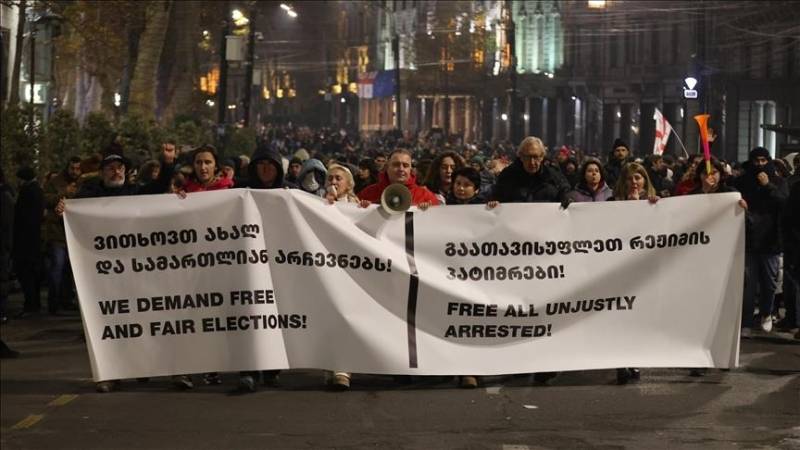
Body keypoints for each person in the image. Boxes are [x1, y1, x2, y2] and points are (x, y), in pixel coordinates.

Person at [60, 146, 177, 392]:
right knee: (109, 325)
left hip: (135, 272)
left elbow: (157, 189)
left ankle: (142, 368)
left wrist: (168, 164)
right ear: (102, 172)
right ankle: (110, 373)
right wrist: (64, 208)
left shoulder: (135, 192)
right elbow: (73, 211)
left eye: (120, 167)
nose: (116, 172)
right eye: (111, 168)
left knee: (140, 322)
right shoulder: (89, 195)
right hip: (103, 274)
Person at [610, 162, 659, 384]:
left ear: (645, 181)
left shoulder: (656, 203)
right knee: (621, 317)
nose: (634, 182)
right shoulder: (611, 203)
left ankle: (635, 358)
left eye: (638, 178)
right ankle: (621, 361)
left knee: (639, 317)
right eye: (630, 179)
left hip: (643, 270)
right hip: (618, 269)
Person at [734, 147, 789, 334]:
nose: (759, 165)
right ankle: (747, 322)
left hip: (770, 240)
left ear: (769, 161)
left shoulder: (778, 181)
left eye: (763, 161)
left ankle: (766, 313)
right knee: (749, 284)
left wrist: (768, 186)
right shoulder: (742, 181)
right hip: (748, 238)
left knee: (769, 282)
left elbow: (784, 202)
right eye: (756, 161)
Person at [42, 157, 83, 315]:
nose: (75, 171)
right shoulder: (54, 182)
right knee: (57, 268)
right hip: (57, 234)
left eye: (77, 168)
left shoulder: (83, 182)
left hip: (75, 233)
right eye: (72, 168)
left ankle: (67, 300)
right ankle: (53, 303)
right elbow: (45, 199)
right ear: (67, 167)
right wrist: (64, 193)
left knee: (69, 270)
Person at [492, 136, 571, 205]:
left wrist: (565, 197)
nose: (532, 162)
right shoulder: (508, 176)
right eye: (528, 157)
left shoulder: (553, 175)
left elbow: (565, 190)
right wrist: (494, 202)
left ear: (542, 157)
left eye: (535, 157)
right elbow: (496, 196)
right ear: (521, 156)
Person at [358, 148, 440, 208]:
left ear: (410, 169)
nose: (401, 169)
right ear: (387, 167)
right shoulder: (368, 193)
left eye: (405, 165)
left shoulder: (425, 196)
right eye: (396, 165)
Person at [13, 167, 45, 318]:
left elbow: (22, 218)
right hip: (35, 239)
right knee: (33, 274)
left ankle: (30, 305)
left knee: (26, 273)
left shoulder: (27, 192)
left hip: (25, 241)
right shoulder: (37, 191)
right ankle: (34, 304)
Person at [0, 168, 14, 323]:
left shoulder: (5, 197)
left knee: (2, 279)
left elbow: (7, 224)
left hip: (3, 247)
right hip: (4, 246)